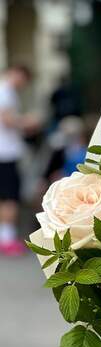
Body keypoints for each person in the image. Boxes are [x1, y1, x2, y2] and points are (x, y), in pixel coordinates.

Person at [0, 65, 37, 256]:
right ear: (16, 73)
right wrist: (26, 121)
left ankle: (5, 236)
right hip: (6, 153)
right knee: (10, 197)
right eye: (24, 79)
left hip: (5, 152)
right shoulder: (5, 91)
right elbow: (7, 120)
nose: (23, 84)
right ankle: (6, 239)